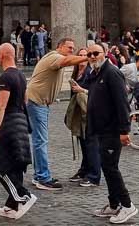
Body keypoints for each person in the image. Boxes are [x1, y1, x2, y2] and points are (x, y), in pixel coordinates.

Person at [25, 36, 88, 190]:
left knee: (38, 140)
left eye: (73, 48)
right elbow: (66, 61)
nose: (72, 50)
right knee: (40, 140)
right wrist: (88, 57)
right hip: (37, 102)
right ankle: (42, 178)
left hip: (38, 102)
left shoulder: (54, 58)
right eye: (69, 48)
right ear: (59, 47)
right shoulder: (55, 57)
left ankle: (39, 175)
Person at [85, 36, 137, 223]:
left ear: (105, 54)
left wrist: (124, 130)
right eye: (89, 54)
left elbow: (122, 103)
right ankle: (114, 205)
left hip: (113, 130)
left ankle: (128, 206)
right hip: (101, 129)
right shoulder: (96, 73)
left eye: (95, 53)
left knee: (111, 168)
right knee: (107, 168)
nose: (92, 56)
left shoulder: (112, 73)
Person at [0, 42, 36, 219]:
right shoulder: (21, 76)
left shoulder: (5, 78)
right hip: (21, 121)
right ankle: (12, 205)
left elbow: (1, 108)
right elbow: (25, 100)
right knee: (15, 163)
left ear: (1, 56)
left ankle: (24, 196)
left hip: (8, 125)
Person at [66, 47, 101, 187]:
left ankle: (94, 175)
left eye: (84, 55)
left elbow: (95, 92)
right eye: (79, 55)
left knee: (91, 144)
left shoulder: (90, 72)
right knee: (83, 143)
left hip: (89, 112)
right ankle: (84, 170)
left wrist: (81, 90)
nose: (82, 58)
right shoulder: (77, 72)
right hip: (79, 113)